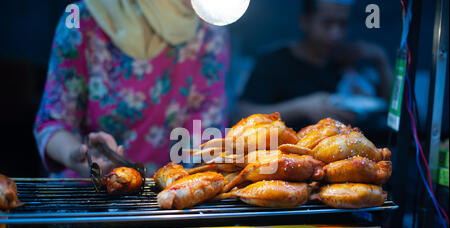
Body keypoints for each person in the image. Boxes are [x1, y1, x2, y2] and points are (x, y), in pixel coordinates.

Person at [34, 0, 229, 177]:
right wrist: (77, 155)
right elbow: (52, 123)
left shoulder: (210, 27)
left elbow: (205, 132)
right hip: (85, 199)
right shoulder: (80, 19)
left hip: (167, 202)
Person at [237, 0, 393, 131]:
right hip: (289, 158)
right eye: (327, 23)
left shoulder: (350, 60)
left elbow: (395, 113)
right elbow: (240, 115)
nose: (335, 34)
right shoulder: (273, 61)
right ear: (305, 21)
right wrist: (302, 107)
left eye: (342, 24)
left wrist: (381, 61)